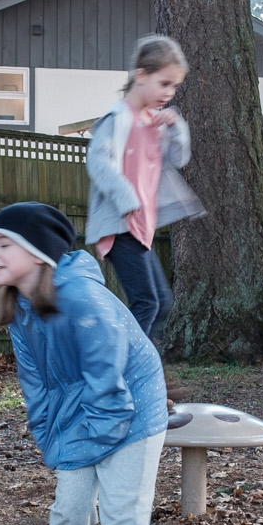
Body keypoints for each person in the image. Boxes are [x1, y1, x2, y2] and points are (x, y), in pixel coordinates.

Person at [0, 203, 169, 525]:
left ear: (38, 251)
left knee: (121, 516)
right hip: (81, 417)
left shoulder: (85, 301)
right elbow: (38, 387)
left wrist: (85, 448)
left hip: (132, 412)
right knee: (68, 513)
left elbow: (111, 389)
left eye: (4, 242)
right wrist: (53, 442)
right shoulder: (21, 309)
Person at [84, 35, 201, 388]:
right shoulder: (117, 119)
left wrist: (175, 126)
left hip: (141, 227)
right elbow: (97, 161)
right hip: (120, 224)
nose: (170, 92)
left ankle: (144, 371)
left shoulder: (153, 121)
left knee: (161, 301)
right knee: (146, 302)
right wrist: (127, 199)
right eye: (164, 83)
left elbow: (177, 159)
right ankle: (129, 374)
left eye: (175, 86)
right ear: (140, 75)